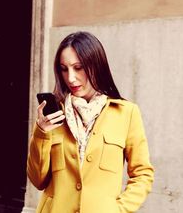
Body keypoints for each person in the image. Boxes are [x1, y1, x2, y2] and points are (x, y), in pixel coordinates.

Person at [27, 31, 154, 213]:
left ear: (96, 65)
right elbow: (38, 180)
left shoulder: (126, 113)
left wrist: (118, 209)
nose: (70, 78)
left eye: (78, 67)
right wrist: (41, 133)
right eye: (64, 69)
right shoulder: (52, 116)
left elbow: (142, 174)